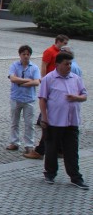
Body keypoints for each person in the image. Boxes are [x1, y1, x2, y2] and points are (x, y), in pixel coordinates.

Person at [38, 52, 88, 189]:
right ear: (58, 64)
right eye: (66, 64)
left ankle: (75, 177)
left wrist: (77, 98)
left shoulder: (76, 78)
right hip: (54, 121)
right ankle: (50, 173)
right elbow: (42, 99)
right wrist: (44, 117)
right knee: (52, 149)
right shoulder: (49, 79)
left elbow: (84, 95)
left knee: (72, 150)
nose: (69, 66)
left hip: (72, 121)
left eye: (70, 63)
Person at [7, 45, 41, 155]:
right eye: (24, 54)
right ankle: (14, 142)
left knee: (29, 123)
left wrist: (20, 82)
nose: (26, 56)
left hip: (29, 99)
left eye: (28, 54)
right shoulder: (14, 65)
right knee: (14, 122)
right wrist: (27, 80)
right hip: (16, 97)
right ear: (20, 55)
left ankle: (29, 145)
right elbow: (12, 78)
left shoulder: (34, 67)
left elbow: (36, 82)